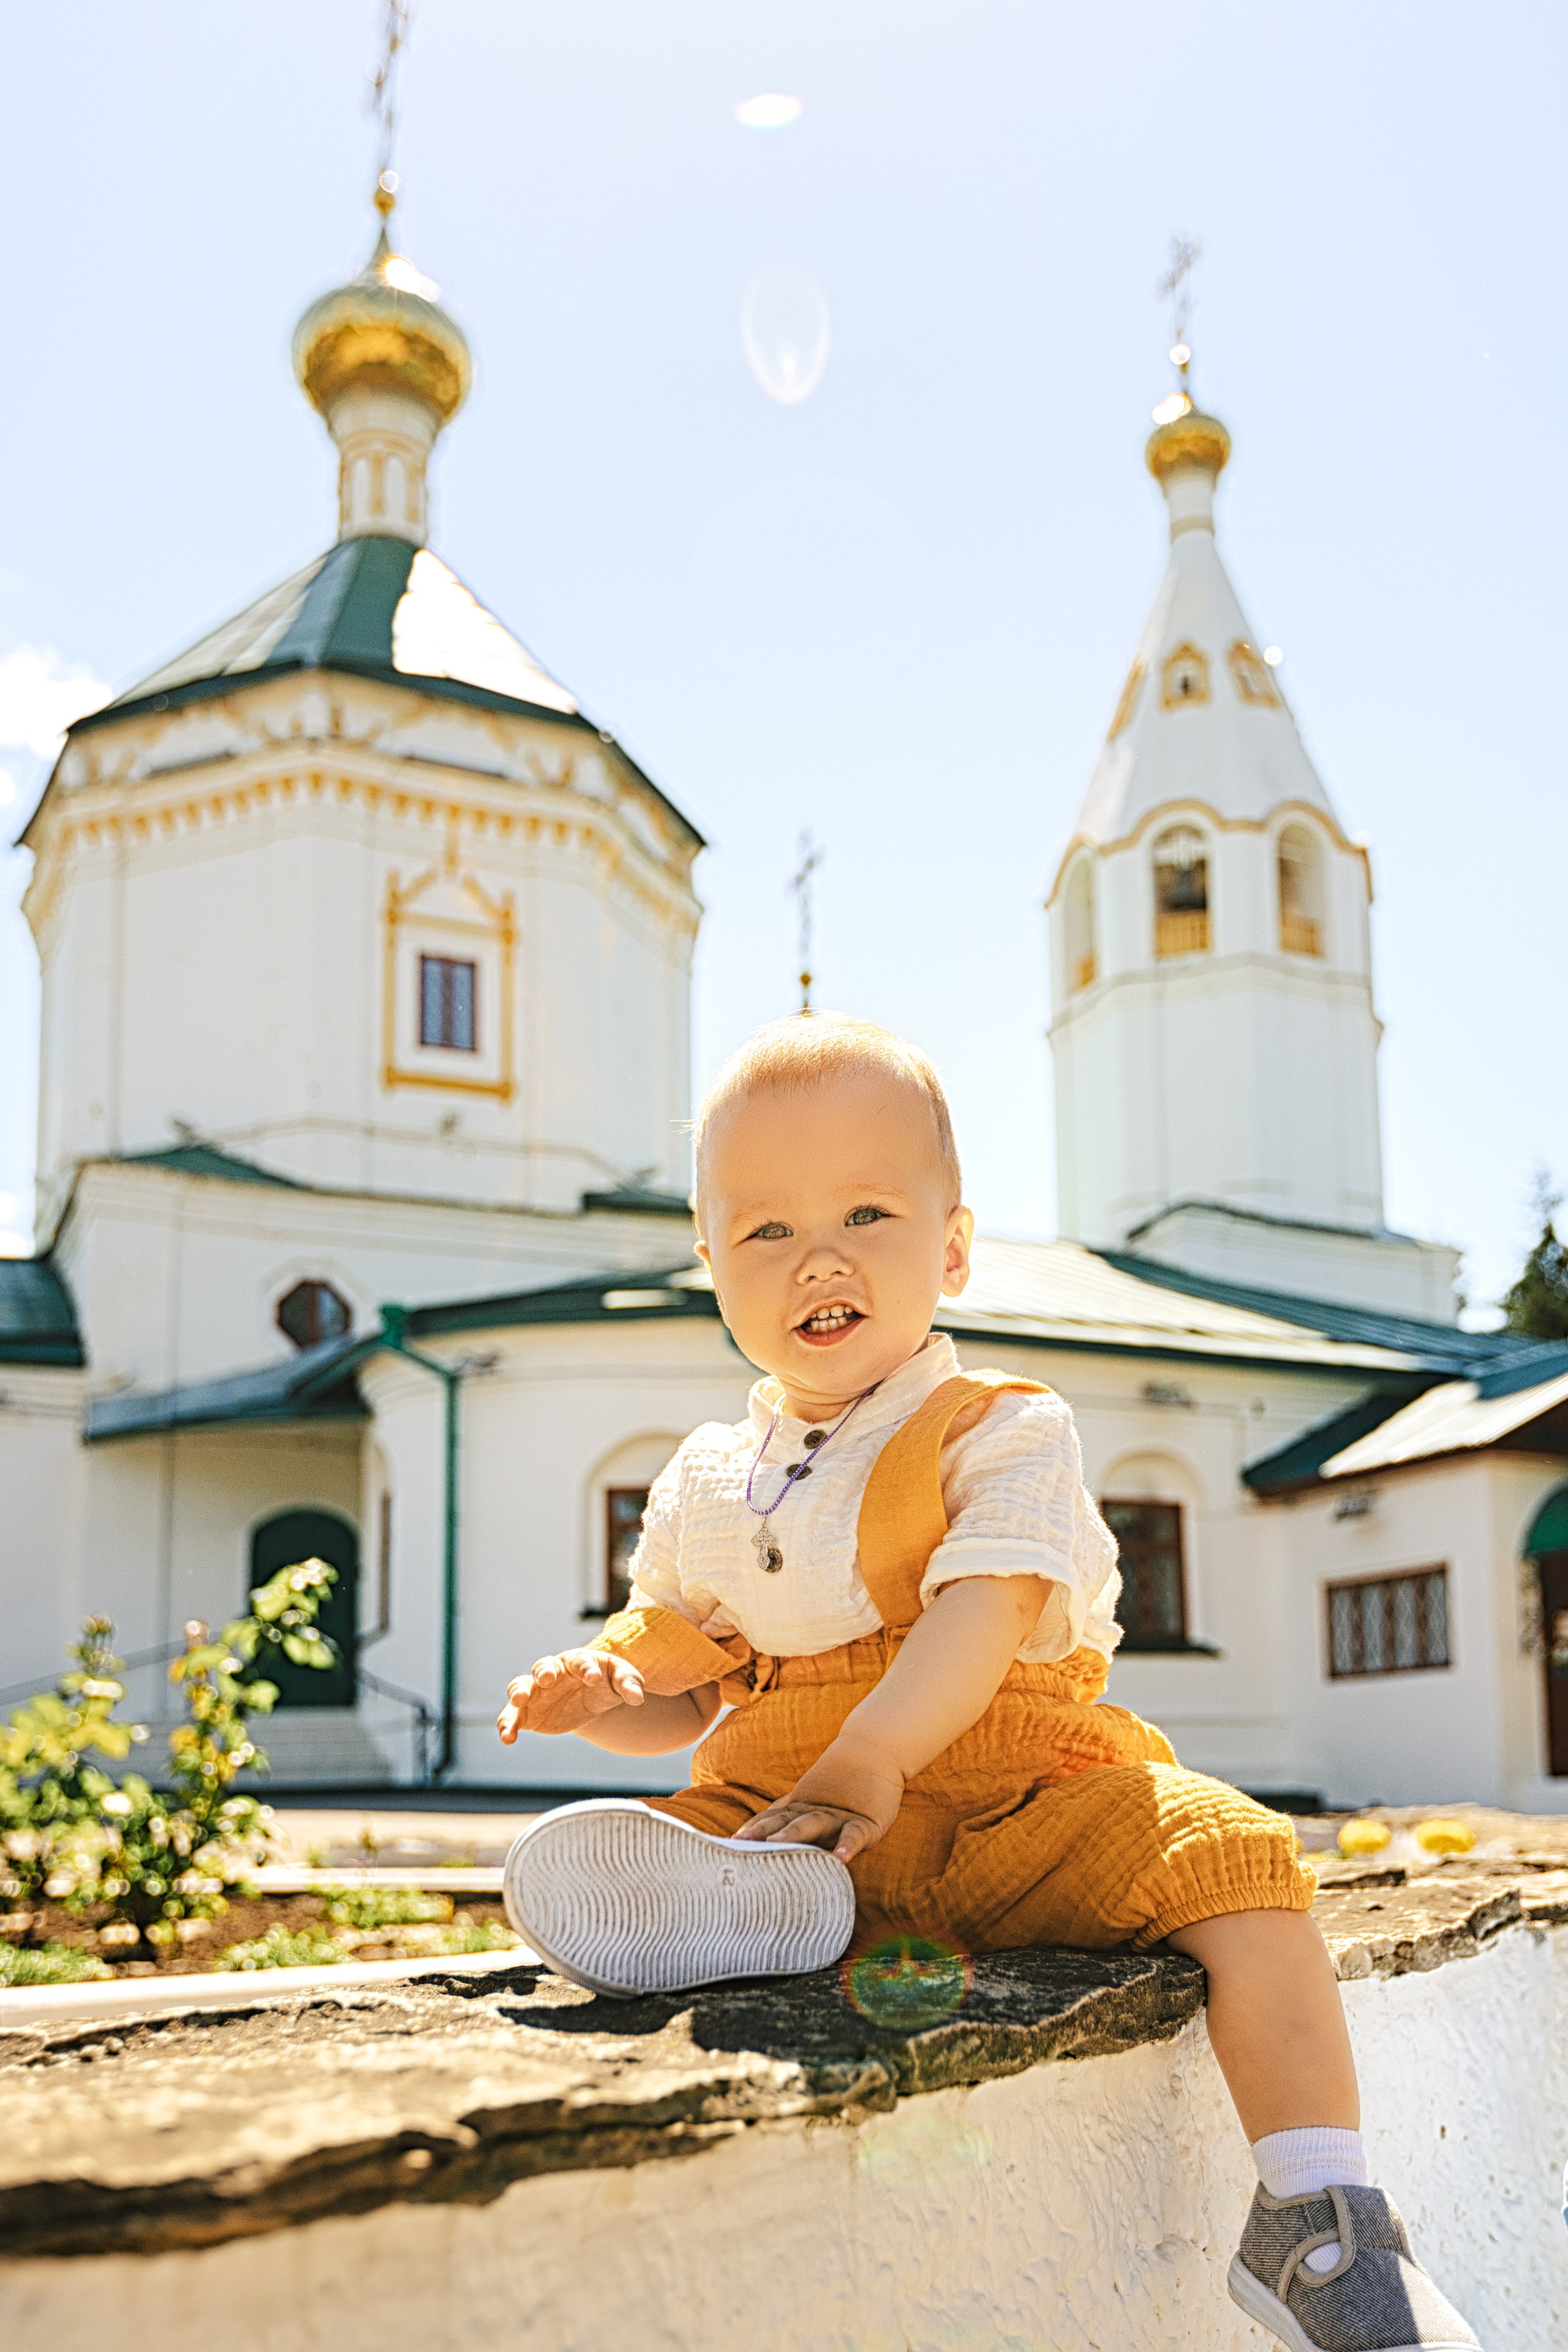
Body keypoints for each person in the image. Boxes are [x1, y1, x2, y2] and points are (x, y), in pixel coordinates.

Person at [497, 1016, 1482, 2352]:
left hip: (1017, 1802)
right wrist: (607, 1688)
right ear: (710, 1268)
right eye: (766, 1232)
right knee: (688, 1817)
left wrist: (874, 1749)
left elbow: (978, 1611)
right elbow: (690, 1680)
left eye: (864, 1211)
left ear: (952, 1249)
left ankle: (1317, 2217)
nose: (820, 1257)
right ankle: (738, 1904)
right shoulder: (700, 1482)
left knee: (1237, 1866)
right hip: (799, 1818)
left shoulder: (1000, 1428)